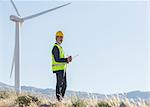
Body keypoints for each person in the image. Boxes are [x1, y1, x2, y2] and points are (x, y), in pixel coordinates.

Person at [52, 31, 72, 102]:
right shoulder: (55, 47)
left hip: (63, 69)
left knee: (64, 85)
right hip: (58, 69)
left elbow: (62, 59)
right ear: (56, 38)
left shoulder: (60, 48)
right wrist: (66, 60)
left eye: (62, 37)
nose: (61, 39)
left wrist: (67, 60)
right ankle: (59, 100)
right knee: (59, 85)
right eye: (59, 37)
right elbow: (57, 59)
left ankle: (61, 99)